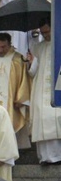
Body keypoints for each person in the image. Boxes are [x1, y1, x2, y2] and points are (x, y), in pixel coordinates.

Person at [28, 20, 61, 164]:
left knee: (55, 118)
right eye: (43, 33)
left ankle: (58, 155)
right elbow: (32, 71)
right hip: (41, 87)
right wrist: (29, 63)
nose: (45, 35)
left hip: (57, 86)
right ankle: (45, 157)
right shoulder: (38, 47)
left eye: (48, 32)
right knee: (41, 116)